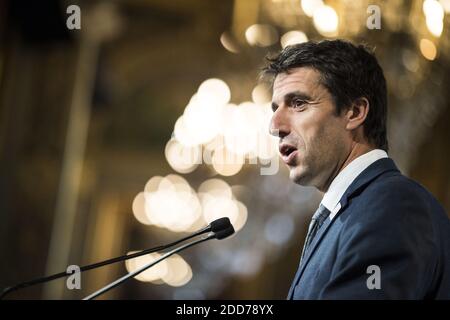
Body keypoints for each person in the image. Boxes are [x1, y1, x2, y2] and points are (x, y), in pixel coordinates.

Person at [262, 39, 450, 299]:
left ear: (355, 111)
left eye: (298, 103)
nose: (275, 126)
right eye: (275, 108)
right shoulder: (348, 212)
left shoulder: (393, 205)